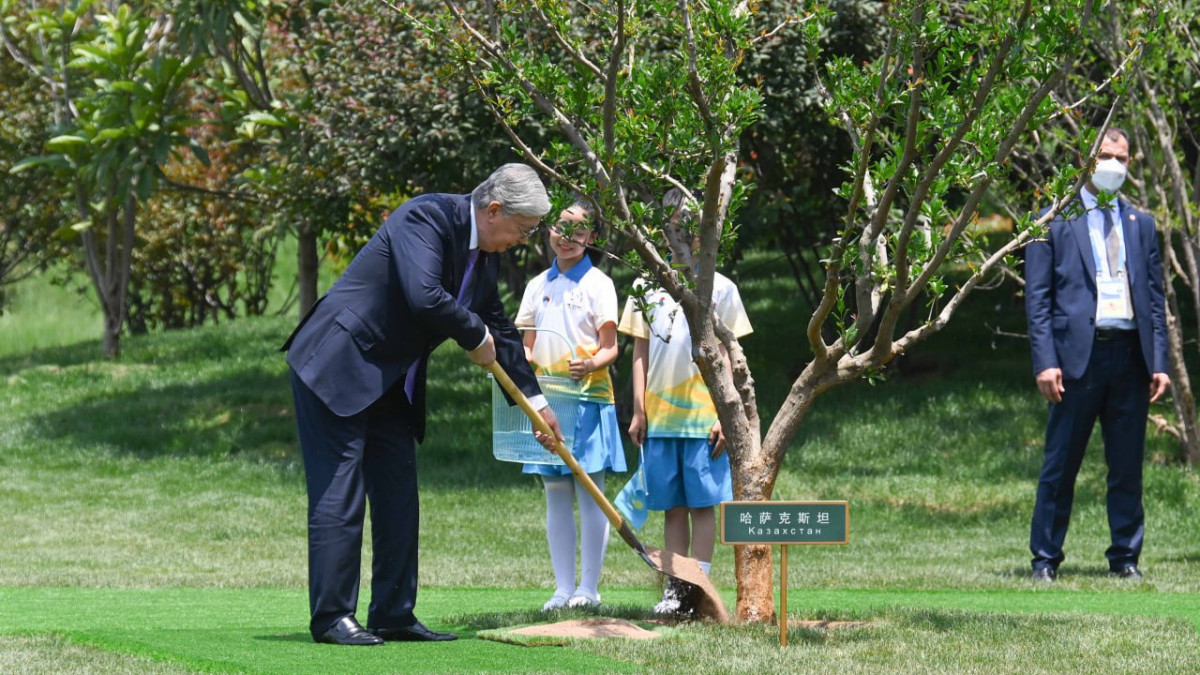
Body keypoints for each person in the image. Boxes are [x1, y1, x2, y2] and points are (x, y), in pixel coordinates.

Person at [282, 164, 563, 645]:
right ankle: (332, 618)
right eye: (523, 229)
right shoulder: (426, 217)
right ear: (494, 210)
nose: (524, 240)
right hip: (337, 365)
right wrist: (473, 334)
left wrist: (535, 401)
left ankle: (393, 613)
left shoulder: (485, 256)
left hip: (390, 383)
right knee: (340, 494)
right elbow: (423, 295)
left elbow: (497, 324)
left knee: (398, 497)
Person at [1024, 127, 1171, 583]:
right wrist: (1045, 361)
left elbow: (1153, 297)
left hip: (1129, 357)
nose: (1114, 165)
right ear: (1087, 161)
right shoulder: (1052, 221)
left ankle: (1125, 557)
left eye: (1122, 158)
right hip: (1075, 362)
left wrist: (1160, 361)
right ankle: (1045, 559)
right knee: (1060, 466)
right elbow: (1038, 300)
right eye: (1106, 155)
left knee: (1126, 467)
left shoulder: (1141, 224)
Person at [617, 189, 753, 613]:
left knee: (702, 506)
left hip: (703, 421)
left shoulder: (722, 289)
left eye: (695, 225)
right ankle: (676, 591)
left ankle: (701, 588)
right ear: (664, 230)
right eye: (677, 224)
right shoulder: (645, 287)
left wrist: (723, 415)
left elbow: (730, 355)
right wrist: (638, 410)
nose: (686, 233)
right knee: (671, 507)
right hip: (659, 421)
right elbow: (639, 353)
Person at [515, 201, 626, 611]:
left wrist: (592, 362)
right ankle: (563, 589)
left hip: (589, 401)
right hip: (547, 402)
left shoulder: (599, 284)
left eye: (577, 230)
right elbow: (525, 346)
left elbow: (610, 347)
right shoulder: (536, 286)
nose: (565, 237)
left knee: (590, 490)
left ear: (592, 237)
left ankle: (589, 589)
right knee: (555, 491)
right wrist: (520, 366)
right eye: (560, 227)